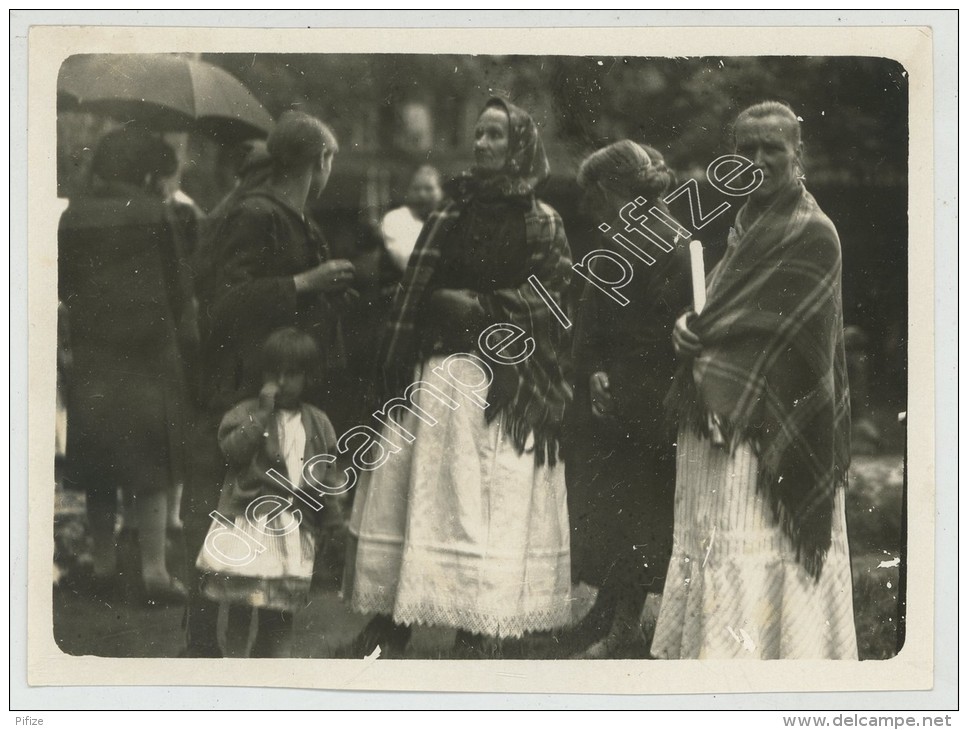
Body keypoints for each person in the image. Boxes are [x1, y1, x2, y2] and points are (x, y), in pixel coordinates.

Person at [343, 97, 574, 656]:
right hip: (439, 373)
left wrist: (482, 306)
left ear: (519, 145)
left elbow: (556, 297)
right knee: (414, 495)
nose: (484, 145)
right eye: (479, 134)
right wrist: (431, 319)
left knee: (486, 501)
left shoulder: (542, 221)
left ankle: (479, 624)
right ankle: (391, 622)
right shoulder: (449, 213)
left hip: (505, 382)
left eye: (497, 135)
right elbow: (416, 291)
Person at [652, 101, 857, 659]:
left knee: (760, 545)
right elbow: (719, 311)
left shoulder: (815, 233)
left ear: (799, 154)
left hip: (770, 425)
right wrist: (685, 330)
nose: (760, 159)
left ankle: (782, 663)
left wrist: (709, 335)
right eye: (747, 150)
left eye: (774, 147)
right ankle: (718, 664)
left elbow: (783, 337)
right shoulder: (743, 226)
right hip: (720, 416)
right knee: (718, 543)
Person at [181, 111, 353, 657]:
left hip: (276, 387)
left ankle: (241, 652)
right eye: (329, 161)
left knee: (263, 518)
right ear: (319, 162)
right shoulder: (257, 214)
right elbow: (227, 303)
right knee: (223, 513)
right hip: (242, 390)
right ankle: (204, 647)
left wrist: (325, 292)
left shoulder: (293, 216)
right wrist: (306, 284)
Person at [58, 127, 195, 604]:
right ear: (143, 171)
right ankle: (154, 573)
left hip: (95, 354)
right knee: (151, 467)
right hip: (150, 356)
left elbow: (64, 284)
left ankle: (102, 566)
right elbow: (180, 288)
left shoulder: (74, 215)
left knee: (99, 467)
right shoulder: (158, 213)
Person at [565, 141, 690, 658]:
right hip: (616, 398)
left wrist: (613, 372)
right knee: (614, 508)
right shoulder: (618, 239)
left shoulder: (669, 242)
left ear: (611, 190)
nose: (586, 206)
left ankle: (624, 626)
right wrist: (594, 369)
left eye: (591, 194)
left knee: (641, 509)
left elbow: (672, 330)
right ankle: (605, 609)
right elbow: (593, 322)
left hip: (650, 401)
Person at [195, 327, 339, 658]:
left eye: (292, 374)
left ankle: (275, 672)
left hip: (291, 527)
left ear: (308, 378)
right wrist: (261, 415)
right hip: (248, 521)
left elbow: (327, 476)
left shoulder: (318, 422)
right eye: (274, 373)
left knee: (279, 610)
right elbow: (233, 452)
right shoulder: (246, 413)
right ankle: (235, 669)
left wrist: (331, 519)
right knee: (242, 604)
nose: (282, 382)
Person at [380, 165, 443, 273]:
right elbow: (407, 262)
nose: (422, 194)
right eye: (416, 189)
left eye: (429, 189)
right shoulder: (396, 219)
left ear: (441, 192)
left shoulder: (447, 220)